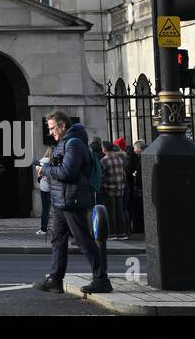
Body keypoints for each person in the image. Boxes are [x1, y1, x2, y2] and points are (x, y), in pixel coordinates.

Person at [36, 109, 110, 294]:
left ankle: (101, 279)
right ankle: (55, 279)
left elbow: (68, 173)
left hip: (72, 199)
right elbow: (61, 169)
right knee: (58, 240)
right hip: (62, 200)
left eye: (52, 128)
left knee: (83, 239)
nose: (50, 132)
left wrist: (46, 169)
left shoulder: (74, 143)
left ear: (62, 126)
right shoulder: (64, 143)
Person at [100, 142, 128, 240]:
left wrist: (101, 186)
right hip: (120, 188)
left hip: (108, 189)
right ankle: (122, 233)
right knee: (119, 211)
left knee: (110, 212)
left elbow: (102, 177)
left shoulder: (104, 161)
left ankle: (112, 233)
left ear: (104, 149)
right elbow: (123, 175)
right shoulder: (119, 159)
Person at [128, 140, 145, 234]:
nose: (134, 150)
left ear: (138, 148)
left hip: (140, 188)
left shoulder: (141, 158)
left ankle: (139, 230)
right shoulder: (140, 158)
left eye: (135, 148)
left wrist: (135, 176)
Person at [36, 146, 53, 236]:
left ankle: (43, 229)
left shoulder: (41, 161)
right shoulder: (54, 161)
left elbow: (38, 174)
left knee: (45, 209)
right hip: (54, 188)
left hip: (44, 188)